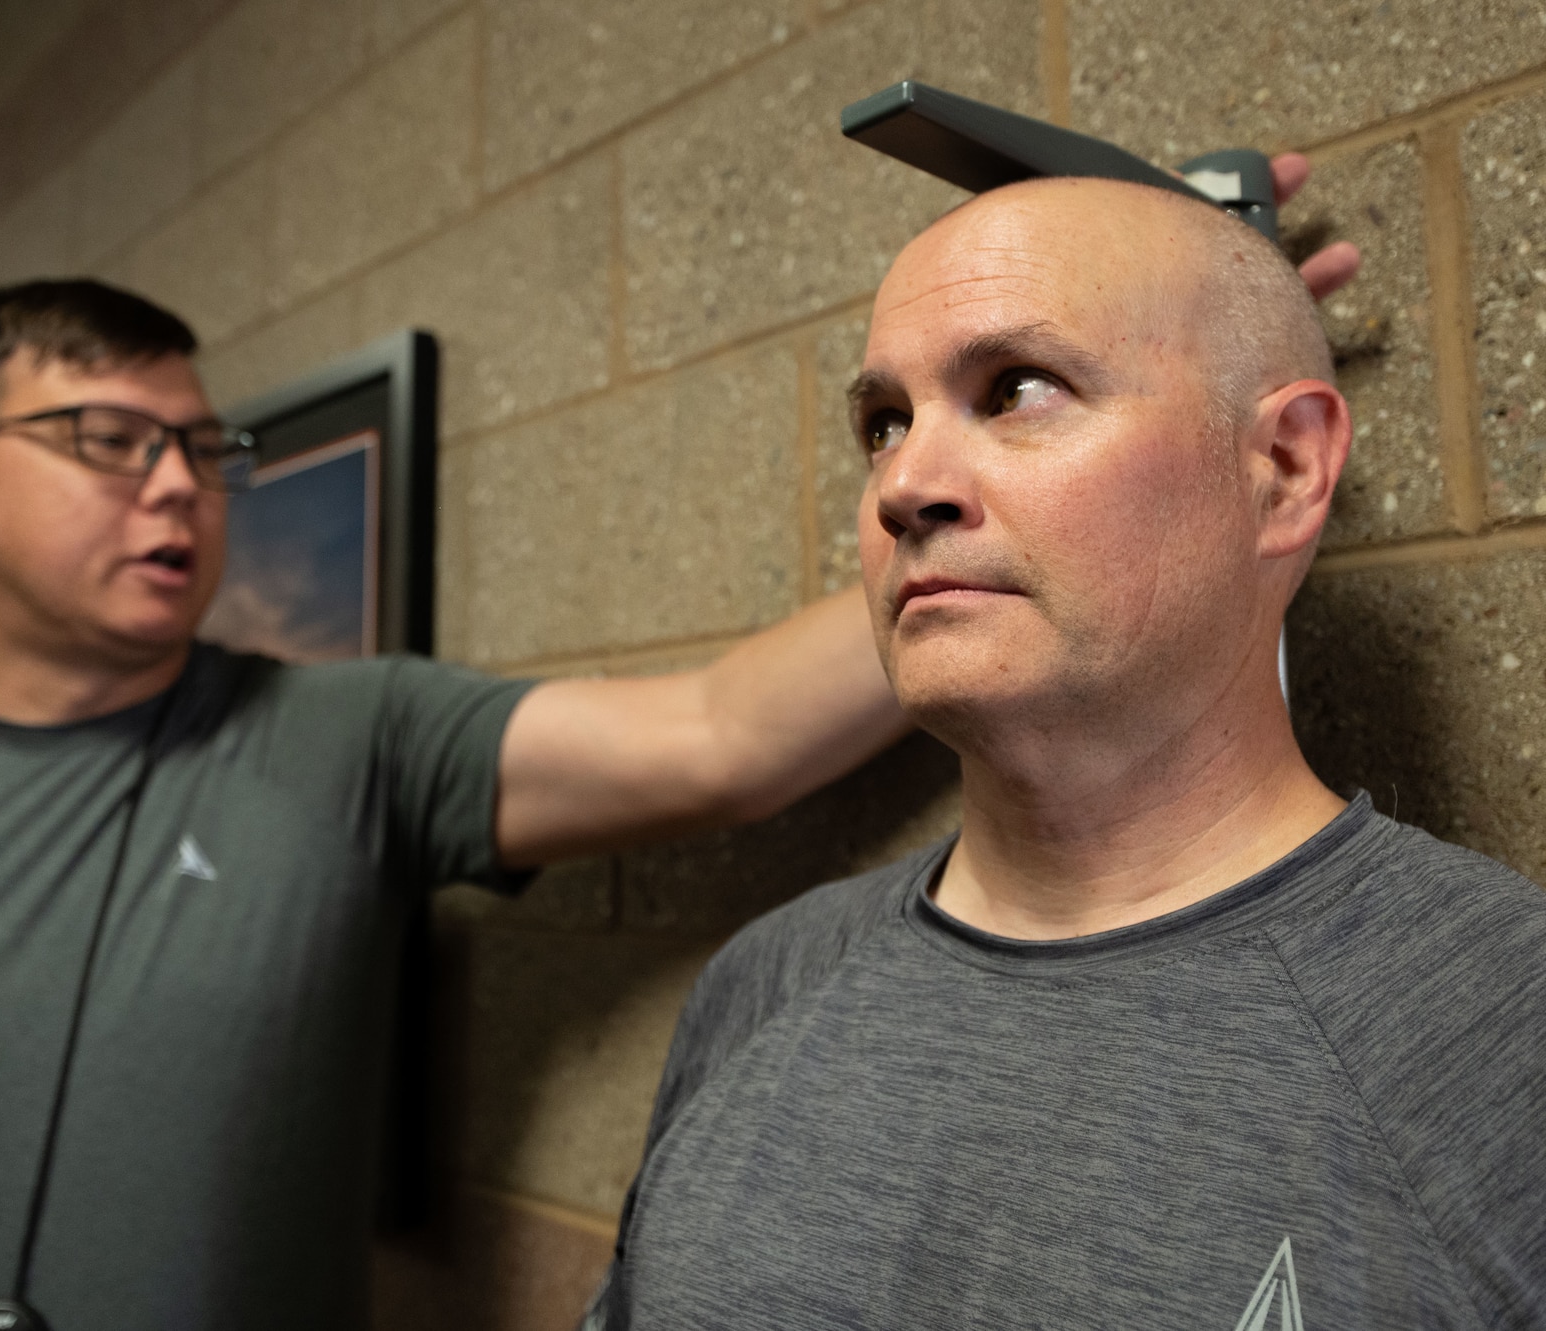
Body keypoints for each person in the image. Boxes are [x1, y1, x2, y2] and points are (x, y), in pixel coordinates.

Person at [0, 155, 1355, 1329]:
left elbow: (725, 735)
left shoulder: (346, 737)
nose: (178, 486)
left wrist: (1155, 374)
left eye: (206, 451)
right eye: (109, 441)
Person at [586, 176, 1545, 1330]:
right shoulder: (761, 985)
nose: (901, 484)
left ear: (1283, 470)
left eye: (1017, 388)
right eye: (881, 421)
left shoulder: (1498, 1032)